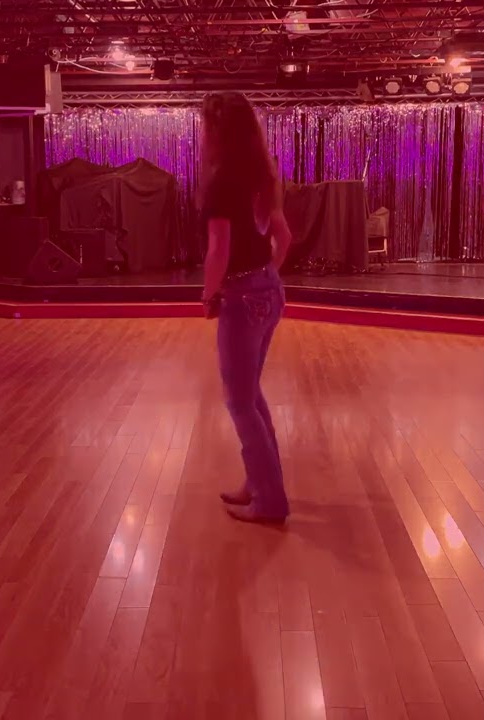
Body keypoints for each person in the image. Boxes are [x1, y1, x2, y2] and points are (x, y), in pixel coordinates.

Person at [198, 92, 294, 525]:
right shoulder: (262, 174)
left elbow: (218, 250)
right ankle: (259, 483)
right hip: (269, 291)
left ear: (216, 130)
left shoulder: (221, 181)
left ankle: (270, 500)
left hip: (242, 296)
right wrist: (265, 276)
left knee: (239, 402)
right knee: (250, 394)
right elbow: (284, 238)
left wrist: (209, 295)